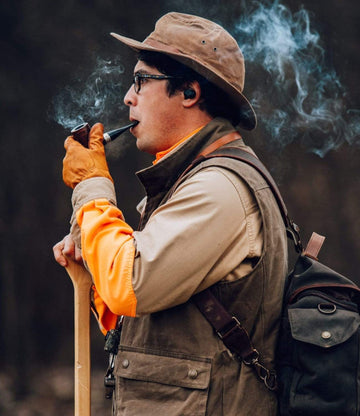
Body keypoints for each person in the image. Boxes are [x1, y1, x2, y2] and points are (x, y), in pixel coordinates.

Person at [53, 12, 288, 416]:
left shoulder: (218, 187)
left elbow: (131, 285)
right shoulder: (192, 182)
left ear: (190, 93)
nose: (129, 96)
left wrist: (92, 187)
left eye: (142, 80)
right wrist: (92, 266)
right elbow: (149, 325)